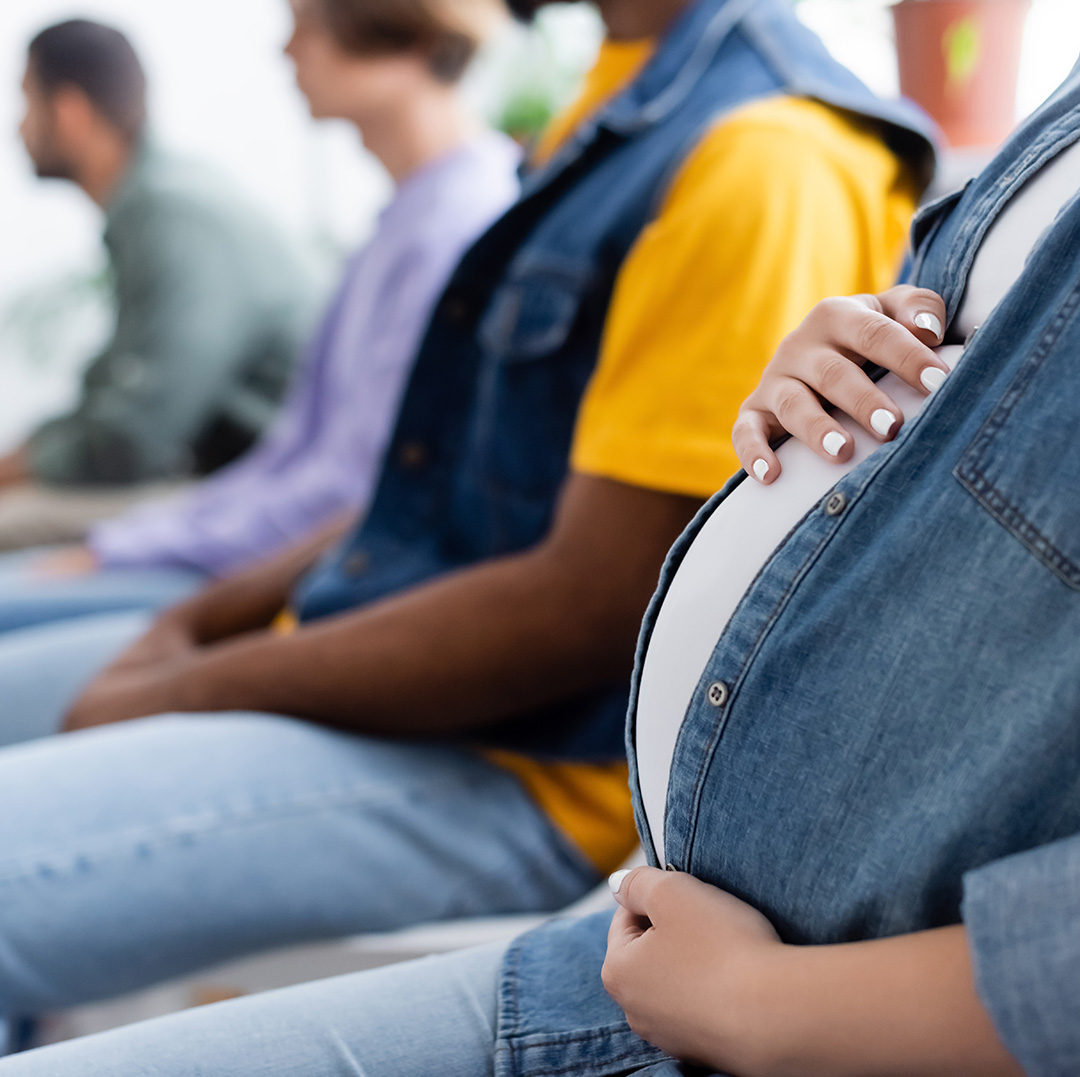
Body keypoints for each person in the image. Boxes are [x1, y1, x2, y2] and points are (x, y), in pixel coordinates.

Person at [5, 48, 1076, 1077]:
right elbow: (400, 497)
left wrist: (186, 674)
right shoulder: (596, 138)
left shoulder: (768, 152)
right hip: (678, 915)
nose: (282, 39)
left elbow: (583, 597)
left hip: (616, 846)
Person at [0, 0, 520, 633]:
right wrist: (124, 545)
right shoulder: (402, 220)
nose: (286, 50)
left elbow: (350, 491)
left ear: (398, 34)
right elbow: (291, 460)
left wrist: (121, 551)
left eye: (305, 24)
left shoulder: (453, 224)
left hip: (302, 577)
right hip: (258, 532)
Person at [0, 19, 316, 550]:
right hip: (222, 473)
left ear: (70, 112)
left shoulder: (173, 215)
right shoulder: (152, 207)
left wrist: (15, 468)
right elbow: (112, 400)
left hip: (258, 490)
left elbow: (130, 440)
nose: (18, 128)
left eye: (27, 102)